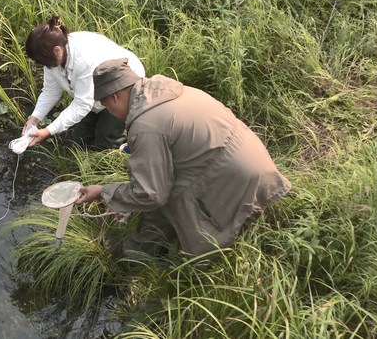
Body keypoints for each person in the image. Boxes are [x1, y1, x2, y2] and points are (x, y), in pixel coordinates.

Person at [74, 58, 291, 257]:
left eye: (107, 106)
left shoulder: (145, 126)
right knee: (165, 191)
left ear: (114, 97)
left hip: (232, 178)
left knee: (194, 257)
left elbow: (151, 195)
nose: (109, 113)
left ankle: (142, 262)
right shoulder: (171, 91)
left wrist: (104, 192)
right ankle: (137, 249)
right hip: (257, 162)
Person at [22, 15, 146, 150]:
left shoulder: (85, 60)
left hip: (120, 89)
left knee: (107, 140)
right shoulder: (51, 58)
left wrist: (47, 131)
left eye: (42, 61)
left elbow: (82, 105)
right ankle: (84, 164)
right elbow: (50, 91)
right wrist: (34, 119)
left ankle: (109, 164)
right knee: (80, 139)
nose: (43, 66)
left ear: (57, 51)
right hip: (91, 92)